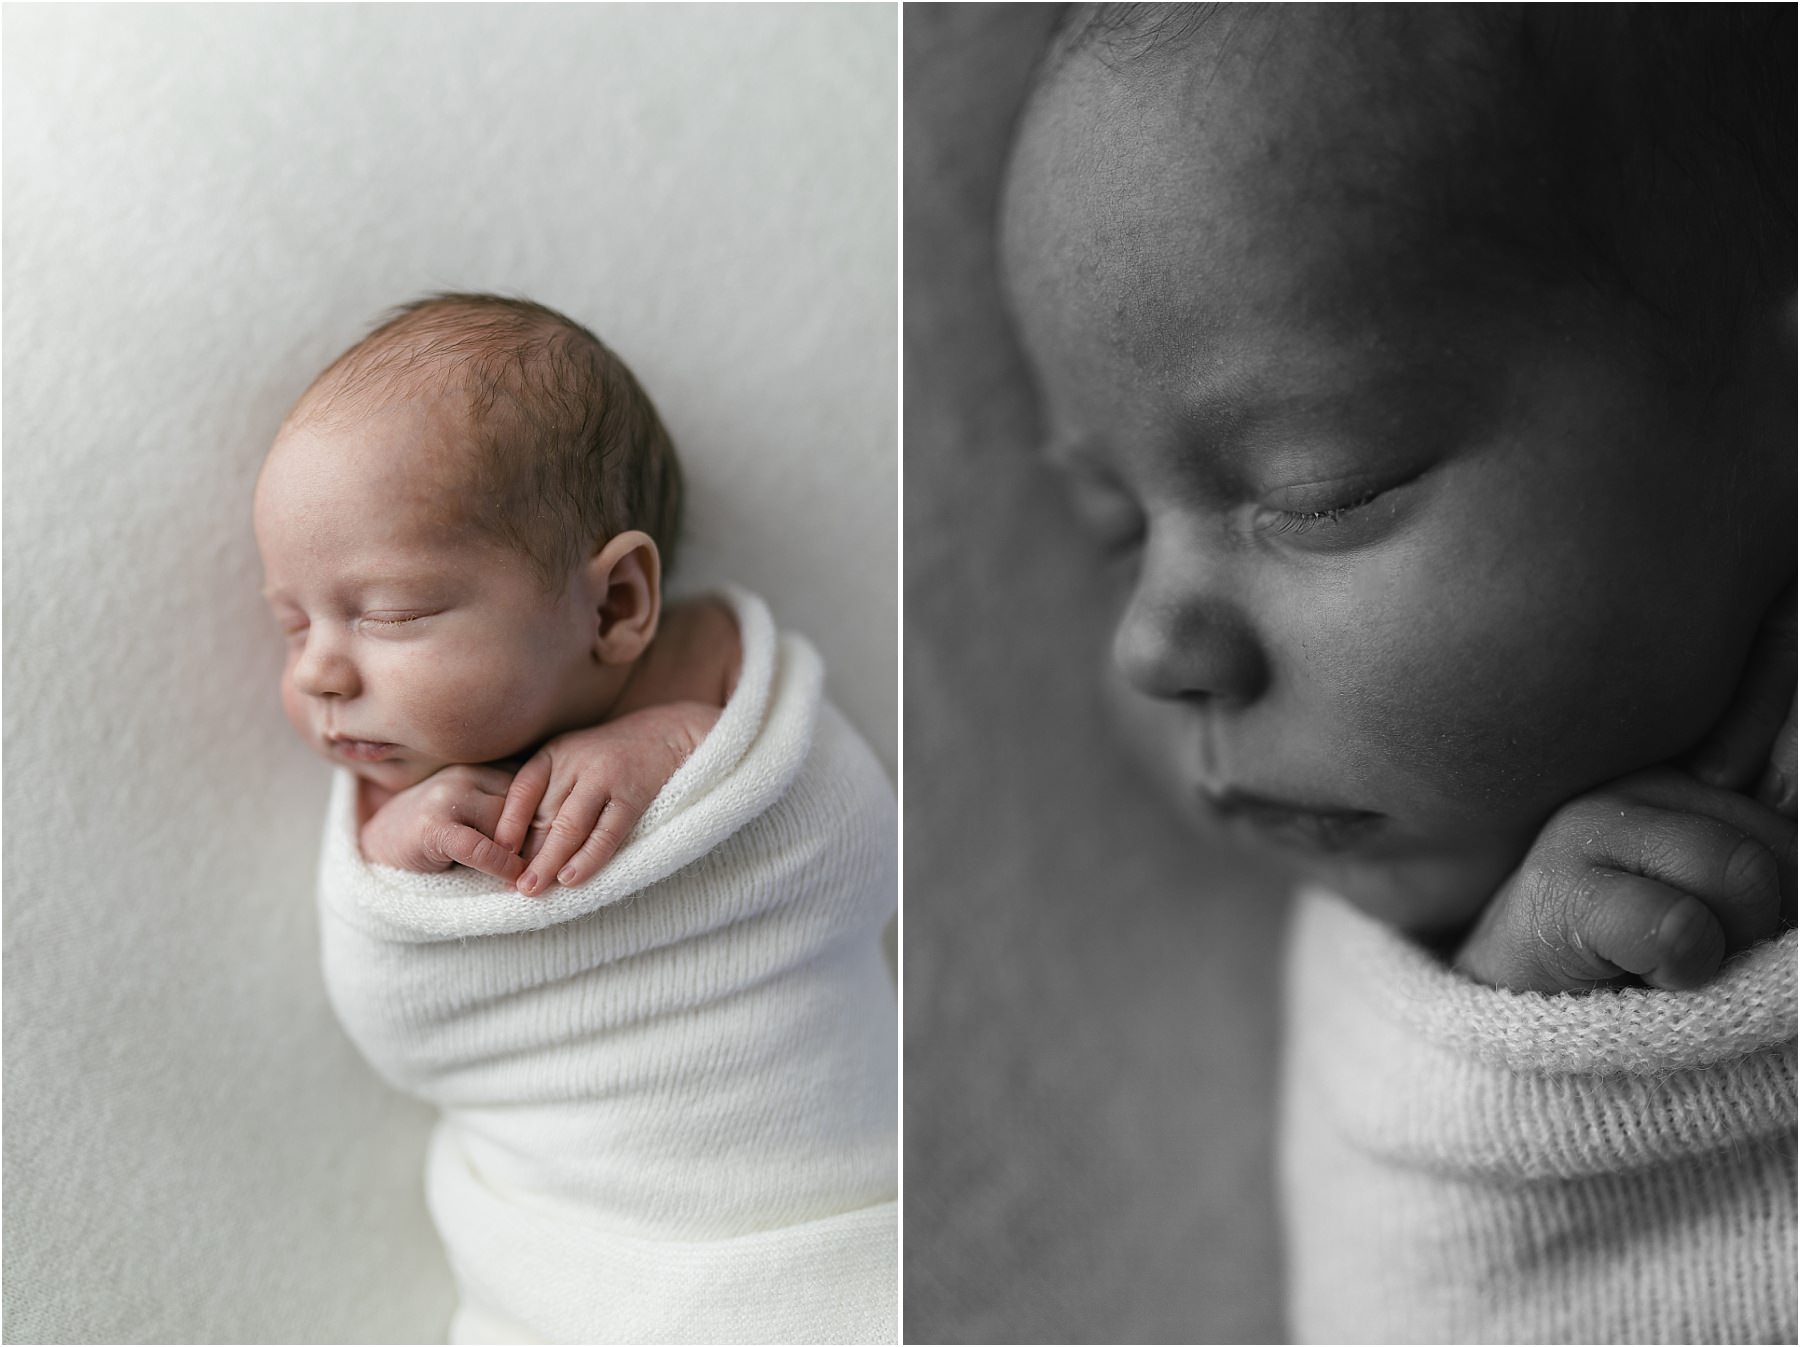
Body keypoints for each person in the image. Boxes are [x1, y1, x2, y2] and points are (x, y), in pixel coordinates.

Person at [998, 6, 1795, 1340]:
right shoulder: (1395, 937)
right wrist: (1523, 1003)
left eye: (1322, 492)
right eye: (1116, 532)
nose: (1153, 641)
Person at [254, 293, 897, 1344]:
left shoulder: (717, 687)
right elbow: (398, 1022)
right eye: (290, 624)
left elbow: (850, 842)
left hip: (820, 1248)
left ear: (613, 608)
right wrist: (397, 856)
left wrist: (680, 744)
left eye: (389, 612)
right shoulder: (390, 803)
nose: (320, 669)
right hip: (564, 1281)